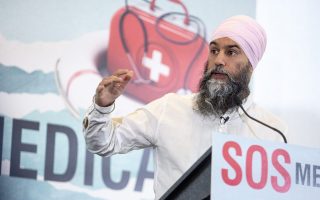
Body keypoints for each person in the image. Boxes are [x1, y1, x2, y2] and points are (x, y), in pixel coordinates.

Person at [83, 15, 287, 199]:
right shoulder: (170, 109)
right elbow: (104, 142)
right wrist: (102, 106)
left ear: (251, 64)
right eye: (214, 50)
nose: (218, 60)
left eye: (231, 52)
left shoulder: (271, 130)